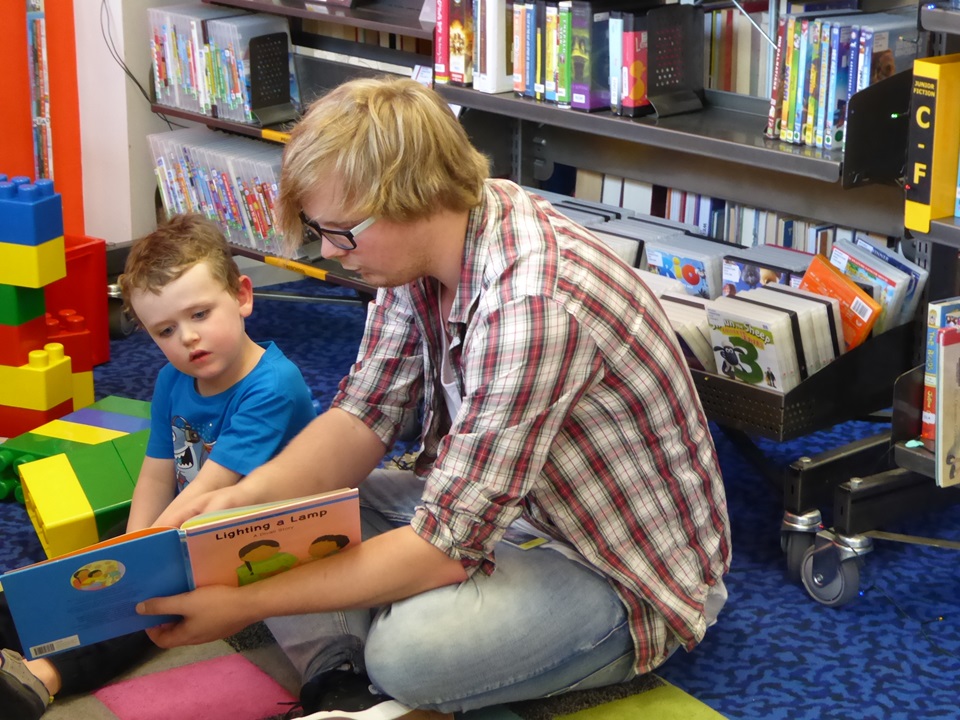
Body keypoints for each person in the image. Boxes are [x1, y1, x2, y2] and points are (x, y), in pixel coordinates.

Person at [137, 76, 732, 719]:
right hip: (508, 508)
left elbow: (444, 545)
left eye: (342, 234)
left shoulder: (532, 306)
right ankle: (374, 646)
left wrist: (248, 604)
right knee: (287, 516)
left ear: (412, 198)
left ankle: (395, 642)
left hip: (613, 569)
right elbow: (365, 412)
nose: (334, 255)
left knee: (407, 656)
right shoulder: (426, 248)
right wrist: (238, 502)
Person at [0, 213, 317, 720]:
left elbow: (215, 486)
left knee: (152, 606)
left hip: (257, 537)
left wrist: (137, 567)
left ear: (242, 296)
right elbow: (156, 471)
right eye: (166, 329)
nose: (187, 339)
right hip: (191, 522)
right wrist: (127, 547)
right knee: (77, 576)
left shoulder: (272, 385)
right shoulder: (174, 379)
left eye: (200, 314)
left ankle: (47, 676)